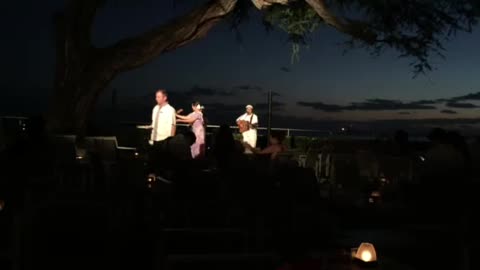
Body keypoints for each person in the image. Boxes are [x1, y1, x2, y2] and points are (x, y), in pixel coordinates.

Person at [146, 89, 176, 178]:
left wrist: (171, 141)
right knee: (153, 160)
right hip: (154, 138)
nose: (156, 99)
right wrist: (149, 127)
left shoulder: (170, 110)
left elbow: (173, 125)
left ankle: (163, 180)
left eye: (158, 97)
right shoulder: (155, 108)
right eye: (156, 97)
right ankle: (152, 177)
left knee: (163, 162)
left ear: (165, 98)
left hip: (164, 140)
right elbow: (154, 122)